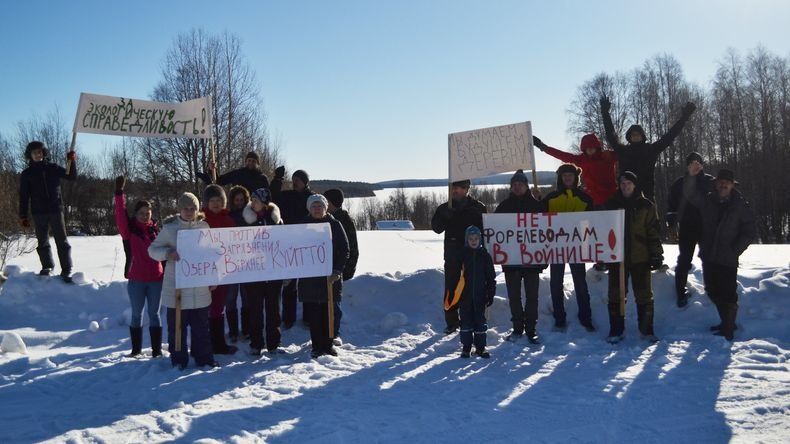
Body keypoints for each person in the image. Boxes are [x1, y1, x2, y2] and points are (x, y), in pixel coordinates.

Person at [683, 167, 756, 341]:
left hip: (727, 257)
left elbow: (749, 231)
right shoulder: (708, 200)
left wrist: (735, 250)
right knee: (711, 290)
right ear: (716, 184)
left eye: (727, 183)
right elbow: (690, 195)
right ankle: (726, 322)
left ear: (732, 185)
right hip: (709, 255)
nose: (723, 185)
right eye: (721, 182)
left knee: (728, 293)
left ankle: (728, 328)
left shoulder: (740, 204)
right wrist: (692, 176)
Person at [148, 192, 217, 370]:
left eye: (192, 208)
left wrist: (213, 278)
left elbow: (212, 256)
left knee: (201, 328)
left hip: (200, 289)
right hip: (176, 289)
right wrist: (167, 253)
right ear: (180, 209)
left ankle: (204, 358)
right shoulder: (170, 229)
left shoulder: (204, 228)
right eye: (186, 208)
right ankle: (179, 360)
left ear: (197, 209)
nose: (189, 211)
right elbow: (152, 250)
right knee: (177, 328)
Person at [604, 172, 664, 343]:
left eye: (629, 183)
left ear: (634, 185)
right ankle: (616, 330)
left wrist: (656, 254)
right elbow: (602, 230)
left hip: (641, 257)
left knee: (644, 295)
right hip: (617, 257)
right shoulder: (611, 204)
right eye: (622, 183)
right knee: (616, 295)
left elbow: (653, 231)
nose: (625, 186)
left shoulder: (646, 205)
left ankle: (646, 330)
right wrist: (603, 256)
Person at [600, 96, 696, 201]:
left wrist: (684, 118)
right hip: (626, 195)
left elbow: (669, 136)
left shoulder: (650, 150)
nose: (635, 136)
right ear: (629, 137)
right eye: (633, 134)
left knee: (650, 217)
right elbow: (611, 135)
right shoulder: (623, 151)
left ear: (642, 136)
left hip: (647, 196)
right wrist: (605, 113)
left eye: (638, 134)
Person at [113, 176, 164, 357]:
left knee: (155, 314)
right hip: (136, 280)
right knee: (137, 315)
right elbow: (120, 213)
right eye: (142, 212)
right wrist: (119, 193)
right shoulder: (129, 231)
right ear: (136, 214)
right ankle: (136, 350)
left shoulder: (156, 231)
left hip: (156, 280)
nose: (145, 215)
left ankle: (157, 351)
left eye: (147, 213)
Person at [541, 164, 596, 332]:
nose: (567, 178)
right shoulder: (550, 198)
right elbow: (540, 220)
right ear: (560, 178)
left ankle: (585, 317)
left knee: (580, 283)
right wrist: (537, 202)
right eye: (564, 175)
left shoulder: (585, 198)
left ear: (575, 177)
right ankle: (559, 318)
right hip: (555, 248)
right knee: (556, 283)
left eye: (570, 175)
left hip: (578, 248)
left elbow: (593, 223)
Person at [495, 170, 547, 344]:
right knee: (514, 297)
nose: (517, 187)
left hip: (532, 260)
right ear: (511, 187)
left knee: (532, 297)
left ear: (527, 186)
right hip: (511, 261)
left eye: (521, 184)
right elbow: (494, 232)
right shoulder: (503, 207)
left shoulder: (537, 206)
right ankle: (517, 328)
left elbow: (546, 233)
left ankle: (531, 329)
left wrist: (544, 257)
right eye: (515, 185)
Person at [431, 179, 487, 334]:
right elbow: (436, 228)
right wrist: (444, 216)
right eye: (452, 188)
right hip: (452, 254)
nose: (454, 191)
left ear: (466, 189)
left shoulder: (478, 207)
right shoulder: (445, 207)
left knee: (471, 288)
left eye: (458, 188)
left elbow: (487, 232)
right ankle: (451, 321)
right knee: (451, 287)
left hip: (473, 255)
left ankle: (470, 319)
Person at [297, 195, 349, 358]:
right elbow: (294, 247)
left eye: (320, 206)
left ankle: (327, 345)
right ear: (309, 209)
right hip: (310, 278)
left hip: (330, 277)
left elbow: (344, 250)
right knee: (314, 313)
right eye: (314, 206)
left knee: (329, 312)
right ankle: (316, 346)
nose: (317, 209)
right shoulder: (302, 226)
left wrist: (337, 271)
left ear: (325, 208)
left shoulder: (334, 225)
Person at [18, 141, 77, 283]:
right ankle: (47, 267)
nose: (37, 155)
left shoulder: (53, 168)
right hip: (38, 212)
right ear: (30, 155)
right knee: (42, 241)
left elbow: (71, 176)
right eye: (34, 153)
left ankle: (67, 269)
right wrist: (23, 216)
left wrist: (71, 161)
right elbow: (24, 197)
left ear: (43, 153)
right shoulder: (27, 174)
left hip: (56, 210)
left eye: (39, 152)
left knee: (61, 241)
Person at [666, 152, 715, 308]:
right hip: (687, 227)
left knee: (708, 258)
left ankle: (711, 289)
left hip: (706, 226)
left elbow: (716, 202)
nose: (695, 165)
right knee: (684, 259)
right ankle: (681, 292)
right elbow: (672, 206)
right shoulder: (679, 183)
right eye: (692, 163)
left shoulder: (709, 181)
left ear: (702, 165)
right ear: (687, 166)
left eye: (698, 162)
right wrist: (672, 225)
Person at [242, 187, 285, 354]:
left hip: (274, 273)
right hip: (253, 273)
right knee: (255, 310)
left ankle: (274, 343)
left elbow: (285, 244)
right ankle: (256, 344)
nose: (253, 203)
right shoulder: (245, 220)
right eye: (252, 200)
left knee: (274, 310)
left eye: (257, 200)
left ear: (265, 204)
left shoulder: (277, 221)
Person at [271, 167, 315, 329]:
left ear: (305, 182)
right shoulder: (287, 196)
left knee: (307, 283)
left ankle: (309, 317)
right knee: (289, 283)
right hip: (288, 244)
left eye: (298, 180)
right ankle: (288, 318)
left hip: (307, 245)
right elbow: (272, 196)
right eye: (293, 179)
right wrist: (277, 179)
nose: (294, 182)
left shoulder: (312, 198)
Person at [202, 184, 239, 355]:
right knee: (204, 308)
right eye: (212, 200)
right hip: (203, 272)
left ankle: (219, 344)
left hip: (224, 272)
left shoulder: (229, 220)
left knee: (218, 307)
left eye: (219, 200)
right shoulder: (200, 221)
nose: (216, 204)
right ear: (206, 202)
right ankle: (205, 343)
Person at [533, 134, 618, 207]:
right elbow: (563, 156)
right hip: (593, 201)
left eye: (592, 147)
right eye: (587, 148)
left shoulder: (607, 157)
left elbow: (624, 153)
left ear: (597, 147)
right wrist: (543, 147)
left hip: (609, 198)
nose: (590, 149)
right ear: (584, 149)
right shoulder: (582, 159)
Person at [323, 188, 360, 343]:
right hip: (326, 268)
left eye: (326, 201)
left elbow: (351, 249)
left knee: (334, 305)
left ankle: (333, 333)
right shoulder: (325, 219)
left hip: (338, 271)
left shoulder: (342, 221)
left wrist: (346, 271)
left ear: (331, 203)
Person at [457, 226, 495, 359]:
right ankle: (466, 347)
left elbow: (491, 277)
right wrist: (455, 294)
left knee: (480, 322)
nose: (473, 241)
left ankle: (480, 347)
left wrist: (490, 293)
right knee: (466, 322)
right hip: (464, 296)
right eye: (471, 238)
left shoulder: (485, 256)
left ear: (480, 239)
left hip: (480, 296)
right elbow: (456, 276)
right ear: (467, 240)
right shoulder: (462, 255)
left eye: (476, 238)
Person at [226, 185, 251, 342]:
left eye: (242, 199)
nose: (240, 202)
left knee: (247, 298)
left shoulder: (251, 216)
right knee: (231, 298)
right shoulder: (227, 216)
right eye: (237, 199)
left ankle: (246, 329)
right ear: (232, 201)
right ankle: (233, 331)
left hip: (247, 263)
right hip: (230, 264)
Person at [197, 151, 270, 191]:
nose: (251, 163)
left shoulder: (262, 178)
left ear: (258, 163)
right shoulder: (238, 173)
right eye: (249, 160)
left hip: (254, 211)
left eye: (253, 161)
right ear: (245, 161)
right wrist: (212, 170)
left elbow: (267, 196)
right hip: (237, 210)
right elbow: (219, 181)